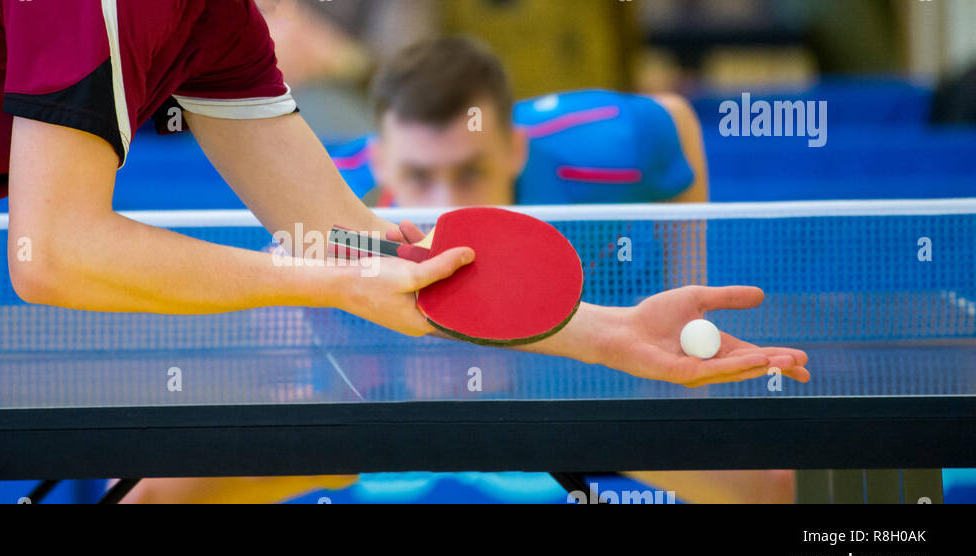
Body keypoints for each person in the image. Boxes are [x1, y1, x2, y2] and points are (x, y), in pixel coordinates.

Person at [0, 3, 806, 503]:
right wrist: (324, 277)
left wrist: (607, 335)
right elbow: (53, 253)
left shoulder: (215, 27)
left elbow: (362, 245)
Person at [124, 38, 800, 504]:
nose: (445, 202)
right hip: (385, 382)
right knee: (156, 492)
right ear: (381, 163)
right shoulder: (333, 195)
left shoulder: (605, 148)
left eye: (470, 170)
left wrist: (686, 300)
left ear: (514, 146)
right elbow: (284, 302)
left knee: (766, 483)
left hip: (575, 371)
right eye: (419, 175)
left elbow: (678, 125)